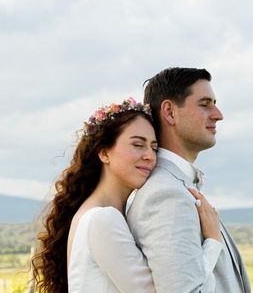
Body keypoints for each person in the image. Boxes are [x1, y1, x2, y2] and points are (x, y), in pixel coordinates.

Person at [31, 97, 222, 293]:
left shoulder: (100, 214)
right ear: (104, 153)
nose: (149, 155)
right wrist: (213, 242)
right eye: (138, 145)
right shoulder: (102, 218)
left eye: (154, 147)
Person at [127, 67, 251, 293]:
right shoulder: (165, 195)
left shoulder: (180, 187)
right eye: (205, 104)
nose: (218, 114)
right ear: (170, 112)